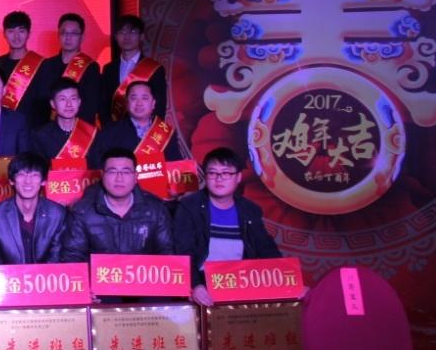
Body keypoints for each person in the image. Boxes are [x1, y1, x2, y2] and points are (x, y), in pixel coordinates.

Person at [173, 147, 281, 306]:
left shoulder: (250, 210)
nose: (219, 179)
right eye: (212, 173)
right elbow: (184, 252)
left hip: (240, 282)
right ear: (205, 176)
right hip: (203, 281)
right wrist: (195, 285)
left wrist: (292, 282)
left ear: (238, 177)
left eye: (226, 173)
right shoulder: (189, 207)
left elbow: (267, 250)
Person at [61, 148, 174, 263]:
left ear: (136, 176)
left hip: (144, 273)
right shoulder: (83, 212)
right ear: (102, 175)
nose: (119, 179)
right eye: (112, 171)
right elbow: (73, 257)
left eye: (126, 172)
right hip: (101, 274)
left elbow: (167, 253)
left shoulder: (156, 209)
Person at [86, 81, 185, 199]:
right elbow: (96, 165)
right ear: (127, 103)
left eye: (144, 98)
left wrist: (177, 188)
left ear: (153, 103)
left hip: (159, 199)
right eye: (134, 98)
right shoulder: (110, 131)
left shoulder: (165, 132)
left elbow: (177, 166)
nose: (139, 103)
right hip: (121, 197)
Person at [0, 151, 69, 265]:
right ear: (11, 180)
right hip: (9, 276)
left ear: (44, 181)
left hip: (46, 275)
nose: (28, 181)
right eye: (21, 174)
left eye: (35, 175)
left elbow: (56, 261)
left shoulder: (57, 214)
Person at [100, 14, 167, 125]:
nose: (127, 36)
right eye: (122, 32)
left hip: (143, 131)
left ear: (141, 36)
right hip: (114, 131)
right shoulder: (108, 69)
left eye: (132, 32)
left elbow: (159, 106)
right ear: (116, 37)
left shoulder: (154, 69)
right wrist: (109, 129)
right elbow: (103, 105)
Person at [0, 10, 54, 127]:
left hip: (32, 129)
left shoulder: (42, 64)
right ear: (4, 34)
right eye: (11, 31)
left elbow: (44, 104)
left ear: (29, 33)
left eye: (21, 31)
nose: (16, 37)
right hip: (3, 128)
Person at [41, 12, 102, 125]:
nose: (68, 37)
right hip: (49, 130)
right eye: (64, 33)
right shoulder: (47, 65)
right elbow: (42, 102)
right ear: (58, 35)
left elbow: (90, 106)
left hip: (78, 129)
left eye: (74, 33)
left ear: (82, 37)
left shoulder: (91, 67)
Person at [31, 78, 99, 168]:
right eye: (62, 99)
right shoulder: (40, 135)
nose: (68, 104)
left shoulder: (93, 133)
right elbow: (39, 170)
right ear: (53, 104)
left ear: (79, 102)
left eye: (73, 99)